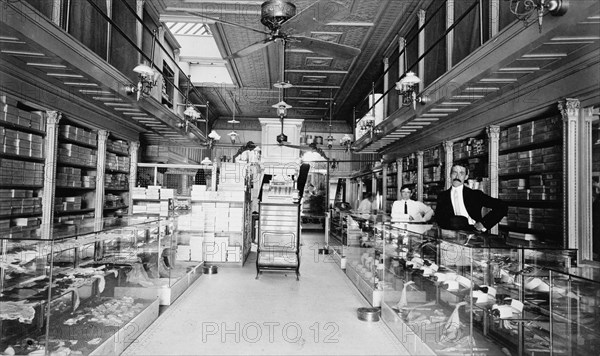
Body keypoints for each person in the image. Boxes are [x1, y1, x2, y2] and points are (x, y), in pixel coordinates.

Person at [436, 163, 507, 232]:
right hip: (451, 235)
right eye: (454, 173)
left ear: (466, 176)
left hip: (473, 234)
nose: (457, 177)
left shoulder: (474, 195)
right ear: (450, 175)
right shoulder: (442, 196)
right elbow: (439, 219)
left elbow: (502, 206)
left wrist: (484, 223)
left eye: (461, 173)